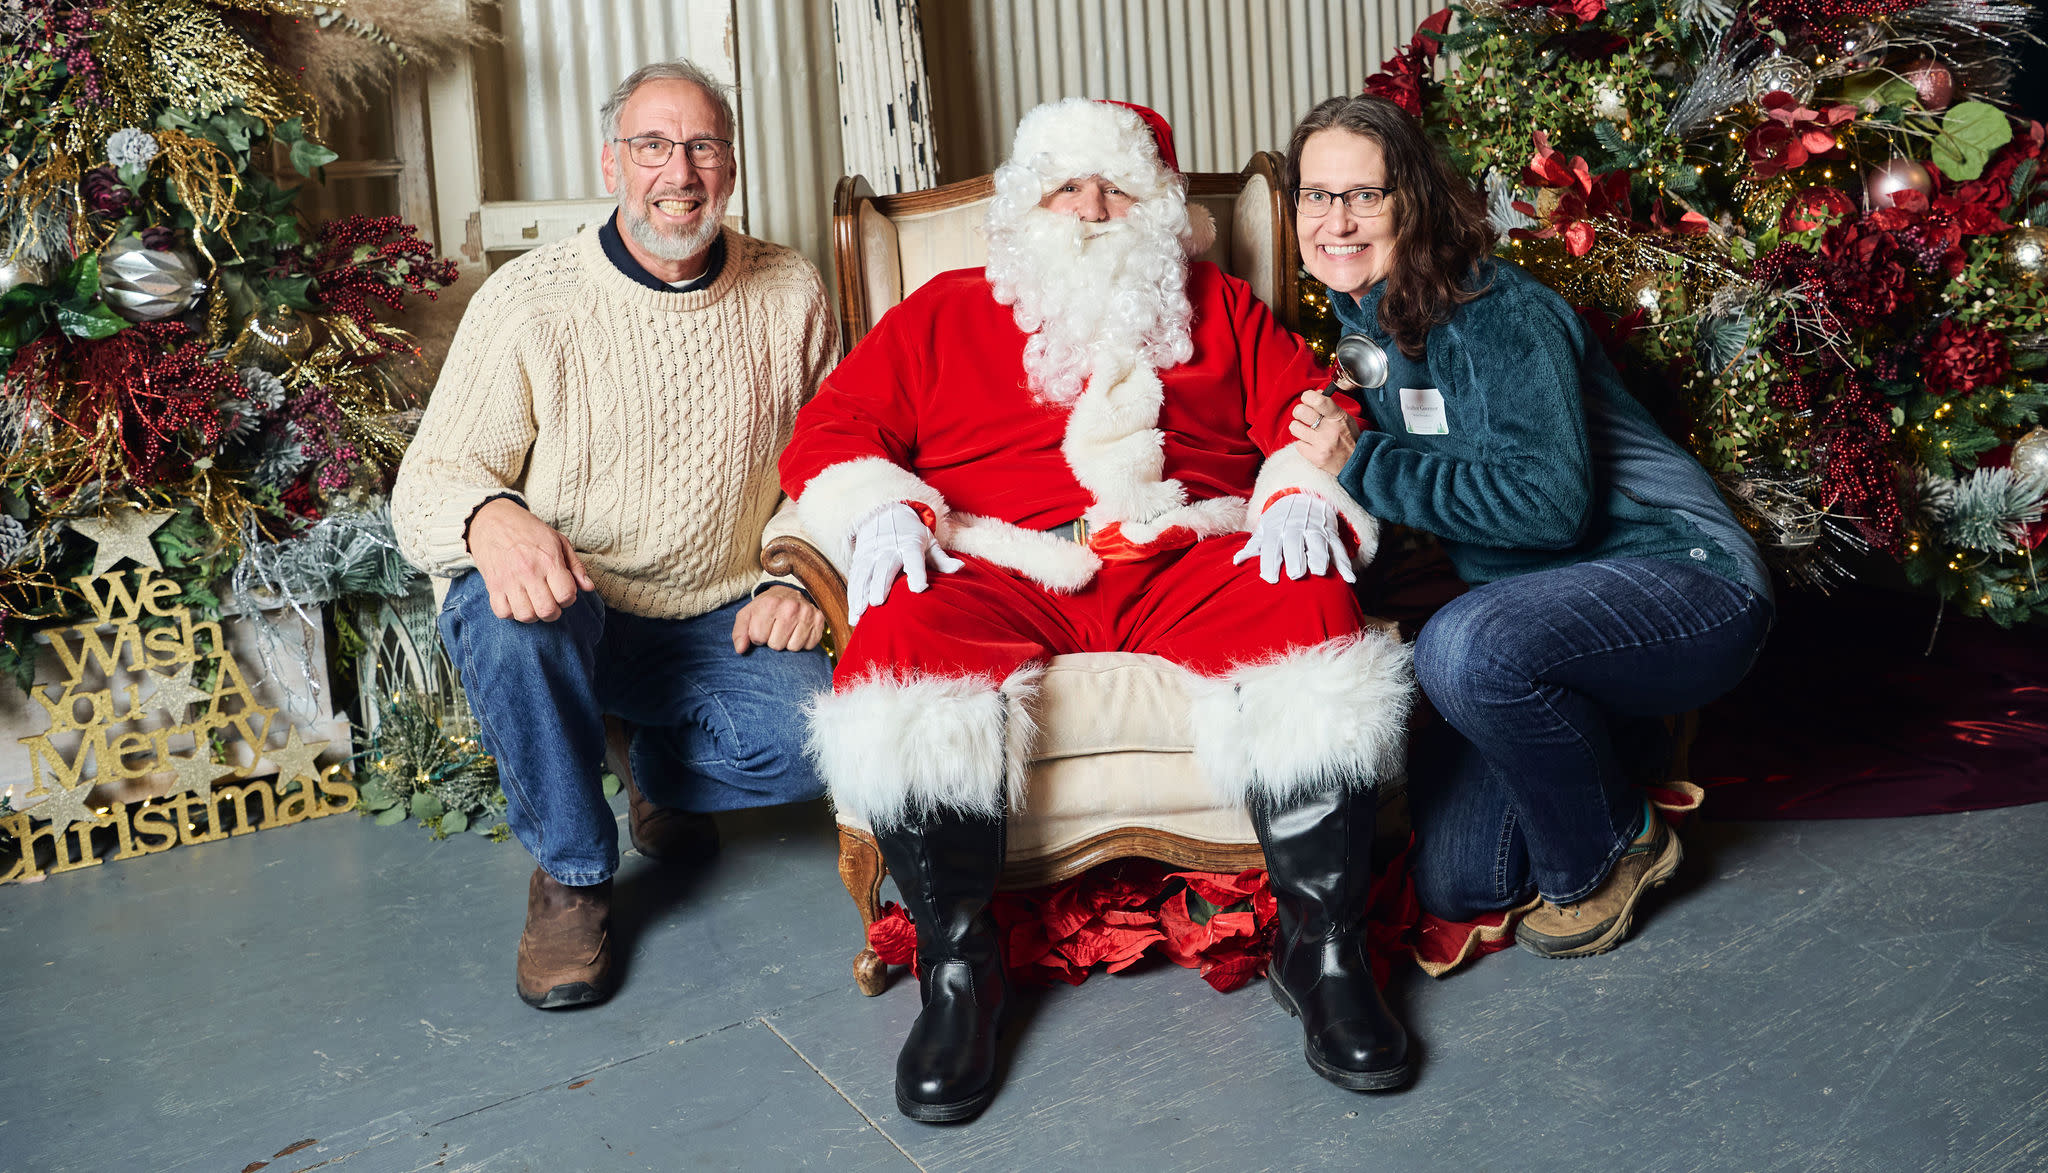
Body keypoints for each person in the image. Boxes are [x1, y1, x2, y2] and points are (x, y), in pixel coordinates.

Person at [780, 98, 1416, 1122]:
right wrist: (884, 511)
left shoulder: (1217, 306)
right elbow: (831, 430)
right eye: (1065, 186)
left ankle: (1322, 952)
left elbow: (1314, 412)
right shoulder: (942, 309)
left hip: (1185, 556)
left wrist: (1300, 487)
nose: (1089, 208)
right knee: (902, 640)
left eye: (1116, 186)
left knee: (1308, 603)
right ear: (1023, 204)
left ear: (1160, 205)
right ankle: (957, 970)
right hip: (1006, 562)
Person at [1280, 93, 1774, 960]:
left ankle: (1615, 848)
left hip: (1685, 577)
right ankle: (1623, 732)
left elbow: (1548, 509)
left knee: (1459, 648)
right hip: (1550, 615)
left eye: (1364, 195)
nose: (1336, 219)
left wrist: (1362, 462)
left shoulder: (1492, 312)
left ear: (1414, 202)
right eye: (1316, 196)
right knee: (1463, 880)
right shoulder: (1370, 321)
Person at [391, 59, 836, 1010]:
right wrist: (489, 515)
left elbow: (828, 465)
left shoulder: (790, 289)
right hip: (574, 603)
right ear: (611, 163)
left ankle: (639, 747)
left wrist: (793, 576)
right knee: (505, 616)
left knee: (821, 743)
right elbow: (424, 482)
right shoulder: (530, 299)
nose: (679, 170)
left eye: (703, 146)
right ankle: (572, 874)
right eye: (652, 146)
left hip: (721, 610)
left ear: (731, 165)